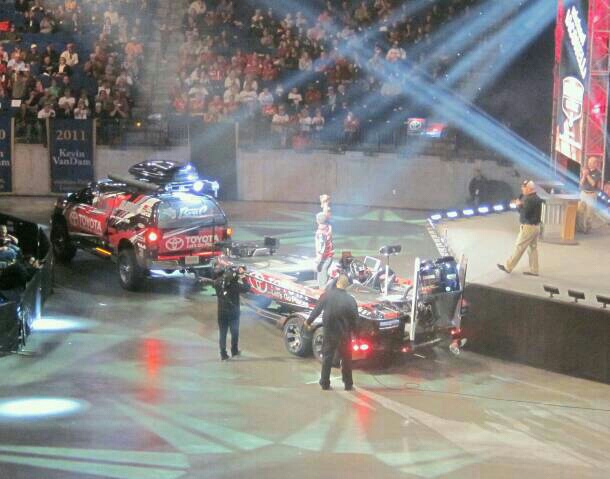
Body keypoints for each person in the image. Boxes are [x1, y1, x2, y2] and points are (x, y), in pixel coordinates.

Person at [303, 274, 359, 391]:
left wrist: (308, 322)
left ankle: (325, 383)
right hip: (345, 335)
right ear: (347, 286)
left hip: (329, 333)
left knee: (327, 358)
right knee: (346, 359)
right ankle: (348, 384)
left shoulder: (327, 295)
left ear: (337, 283)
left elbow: (316, 310)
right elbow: (355, 319)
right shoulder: (351, 300)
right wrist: (356, 335)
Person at [498, 180, 543, 276]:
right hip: (536, 227)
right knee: (532, 249)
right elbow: (529, 210)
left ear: (529, 189)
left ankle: (508, 267)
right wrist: (521, 204)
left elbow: (524, 214)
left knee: (519, 247)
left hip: (528, 227)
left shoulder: (529, 200)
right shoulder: (536, 198)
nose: (522, 189)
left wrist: (518, 205)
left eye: (524, 187)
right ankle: (534, 270)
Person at [213, 265, 250, 360]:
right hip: (233, 312)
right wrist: (243, 276)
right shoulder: (234, 285)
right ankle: (234, 350)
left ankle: (223, 354)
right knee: (234, 332)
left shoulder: (217, 282)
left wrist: (235, 274)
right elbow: (247, 288)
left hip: (221, 312)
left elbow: (224, 279)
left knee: (222, 333)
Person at [577, 156, 603, 233]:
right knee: (579, 211)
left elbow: (593, 184)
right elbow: (581, 183)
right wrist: (584, 175)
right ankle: (580, 228)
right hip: (583, 193)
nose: (589, 164)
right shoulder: (585, 170)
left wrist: (587, 175)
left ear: (595, 164)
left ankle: (587, 229)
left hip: (591, 194)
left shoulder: (598, 173)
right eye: (588, 162)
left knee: (589, 213)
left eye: (591, 163)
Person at [314, 212, 334, 289]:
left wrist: (319, 256)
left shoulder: (320, 233)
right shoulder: (328, 227)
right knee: (321, 271)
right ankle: (321, 287)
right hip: (328, 255)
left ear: (317, 221)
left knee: (322, 271)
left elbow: (322, 246)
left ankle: (322, 288)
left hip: (325, 256)